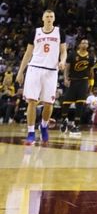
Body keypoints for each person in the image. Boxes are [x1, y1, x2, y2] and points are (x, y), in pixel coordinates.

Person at [16, 9, 67, 145]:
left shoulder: (59, 32)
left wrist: (62, 61)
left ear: (54, 19)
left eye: (51, 16)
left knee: (49, 103)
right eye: (47, 16)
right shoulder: (35, 32)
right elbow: (27, 54)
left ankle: (44, 126)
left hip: (51, 71)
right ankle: (31, 132)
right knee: (32, 101)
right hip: (34, 69)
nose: (49, 18)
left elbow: (64, 51)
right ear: (43, 18)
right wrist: (21, 72)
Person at [60, 38, 95, 136]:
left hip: (83, 82)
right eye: (83, 42)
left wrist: (91, 83)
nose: (85, 44)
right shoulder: (72, 54)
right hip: (73, 81)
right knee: (65, 103)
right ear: (79, 44)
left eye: (86, 43)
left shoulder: (91, 57)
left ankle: (76, 126)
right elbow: (67, 67)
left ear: (88, 46)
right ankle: (64, 120)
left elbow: (91, 71)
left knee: (80, 105)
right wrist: (65, 78)